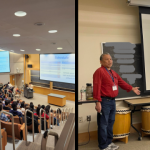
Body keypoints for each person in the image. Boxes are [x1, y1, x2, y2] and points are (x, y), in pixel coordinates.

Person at [93, 53, 140, 150]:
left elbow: (121, 82)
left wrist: (132, 88)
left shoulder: (113, 73)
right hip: (104, 102)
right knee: (103, 124)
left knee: (110, 123)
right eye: (107, 59)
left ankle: (109, 143)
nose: (110, 61)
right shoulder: (99, 72)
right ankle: (103, 146)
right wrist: (98, 102)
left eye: (110, 59)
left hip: (112, 102)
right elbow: (96, 87)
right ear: (101, 61)